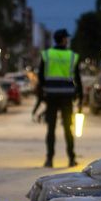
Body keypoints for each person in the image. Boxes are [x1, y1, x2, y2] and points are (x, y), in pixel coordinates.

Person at [37, 28, 83, 168]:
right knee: (68, 128)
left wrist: (43, 92)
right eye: (66, 38)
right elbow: (77, 78)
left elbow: (40, 76)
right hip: (67, 96)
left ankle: (49, 159)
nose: (67, 40)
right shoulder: (72, 56)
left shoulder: (47, 55)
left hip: (51, 96)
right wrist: (80, 96)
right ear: (63, 39)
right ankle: (71, 158)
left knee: (50, 129)